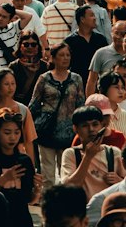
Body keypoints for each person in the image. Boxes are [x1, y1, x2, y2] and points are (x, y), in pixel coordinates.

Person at [29, 42, 85, 190]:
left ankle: (62, 203)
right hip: (46, 130)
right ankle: (47, 204)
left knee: (66, 173)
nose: (65, 58)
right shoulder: (44, 78)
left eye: (68, 55)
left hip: (68, 132)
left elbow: (81, 105)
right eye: (61, 55)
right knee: (47, 174)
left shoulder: (76, 79)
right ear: (53, 58)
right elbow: (34, 105)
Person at [60, 105, 126, 199]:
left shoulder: (114, 153)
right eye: (85, 126)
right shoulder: (71, 154)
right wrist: (88, 156)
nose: (91, 129)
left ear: (102, 126)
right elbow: (68, 188)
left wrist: (119, 181)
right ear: (76, 129)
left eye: (95, 124)